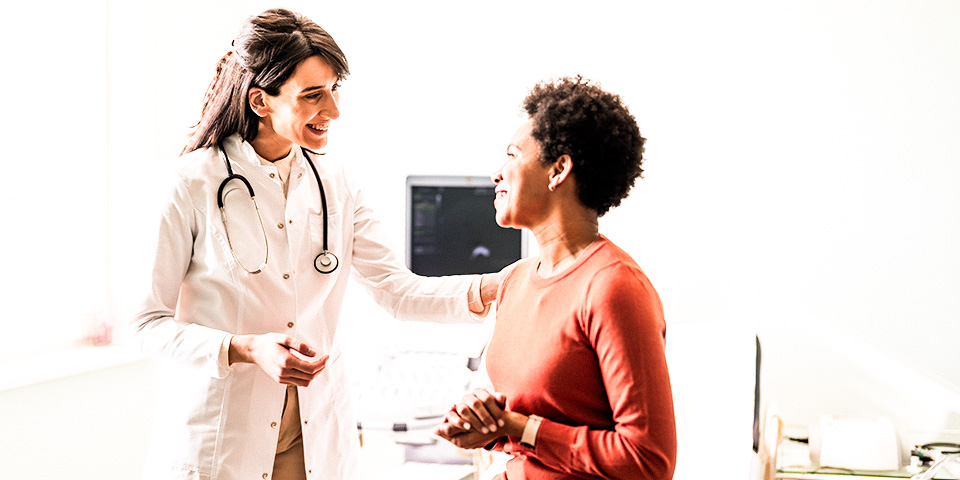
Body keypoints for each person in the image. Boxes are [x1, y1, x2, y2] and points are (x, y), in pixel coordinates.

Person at [128, 8, 498, 480]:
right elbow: (146, 324)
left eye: (334, 89)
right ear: (261, 101)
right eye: (313, 95)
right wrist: (245, 348)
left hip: (314, 433)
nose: (335, 110)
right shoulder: (190, 184)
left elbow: (395, 289)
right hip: (223, 437)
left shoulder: (336, 182)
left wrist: (499, 288)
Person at [434, 77, 677, 479]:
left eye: (512, 155)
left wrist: (518, 428)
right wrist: (489, 423)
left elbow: (648, 461)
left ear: (559, 169)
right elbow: (538, 416)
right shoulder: (516, 281)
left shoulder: (614, 287)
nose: (497, 173)